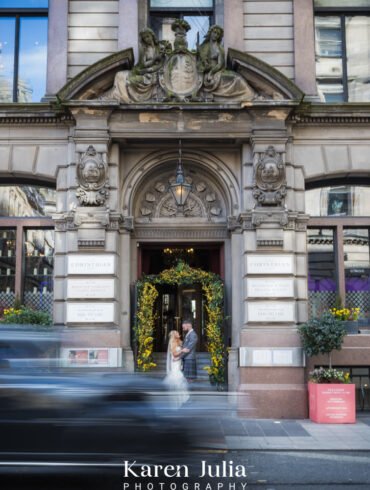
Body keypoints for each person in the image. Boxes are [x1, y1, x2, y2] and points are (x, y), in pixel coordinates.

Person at [197, 25, 255, 101]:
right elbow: (199, 62)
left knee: (237, 78)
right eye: (214, 32)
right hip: (205, 74)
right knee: (236, 78)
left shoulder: (220, 49)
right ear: (210, 33)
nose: (216, 35)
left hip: (216, 72)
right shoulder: (203, 47)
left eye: (218, 34)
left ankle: (250, 95)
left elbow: (220, 64)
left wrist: (211, 72)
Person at [163, 330, 189, 408]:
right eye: (177, 333)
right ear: (174, 335)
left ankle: (180, 399)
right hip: (175, 363)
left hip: (178, 362)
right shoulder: (173, 343)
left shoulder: (178, 342)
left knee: (179, 381)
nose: (179, 334)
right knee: (178, 379)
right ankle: (178, 400)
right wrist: (182, 350)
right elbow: (174, 354)